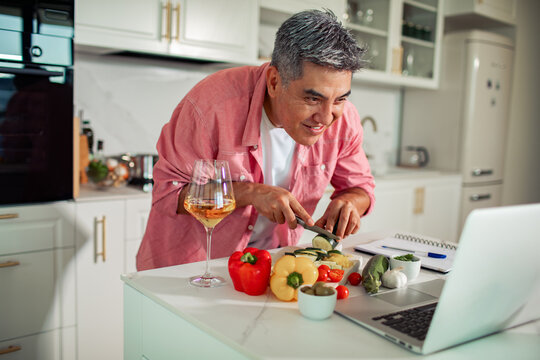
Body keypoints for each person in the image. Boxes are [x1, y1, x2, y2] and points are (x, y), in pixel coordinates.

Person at [136, 9, 375, 271]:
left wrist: (350, 202)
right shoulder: (211, 105)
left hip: (274, 265)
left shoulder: (344, 118)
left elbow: (361, 187)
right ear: (274, 82)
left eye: (340, 98)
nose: (326, 117)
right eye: (312, 99)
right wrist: (251, 193)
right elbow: (168, 194)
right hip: (191, 268)